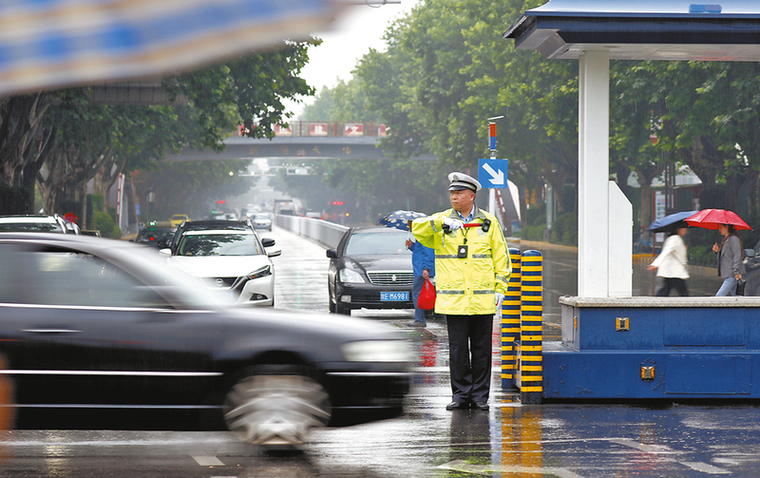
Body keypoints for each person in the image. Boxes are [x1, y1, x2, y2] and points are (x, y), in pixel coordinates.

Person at [411, 172, 511, 411]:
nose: (454, 197)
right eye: (452, 193)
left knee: (481, 350)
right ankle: (460, 395)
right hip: (454, 302)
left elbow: (501, 257)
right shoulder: (441, 220)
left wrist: (500, 288)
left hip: (482, 300)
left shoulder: (489, 222)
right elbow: (417, 229)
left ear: (472, 196)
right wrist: (439, 224)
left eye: (459, 193)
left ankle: (479, 397)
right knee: (457, 352)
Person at [646, 222, 689, 296]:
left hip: (672, 271)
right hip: (674, 271)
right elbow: (666, 251)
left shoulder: (675, 238)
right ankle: (689, 306)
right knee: (683, 292)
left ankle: (656, 303)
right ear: (679, 229)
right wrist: (655, 264)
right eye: (684, 229)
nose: (686, 231)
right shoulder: (675, 239)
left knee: (666, 289)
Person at [406, 220, 435, 328]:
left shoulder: (424, 236)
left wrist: (426, 268)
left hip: (421, 271)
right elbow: (420, 251)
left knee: (417, 294)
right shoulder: (421, 236)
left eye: (411, 225)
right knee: (418, 294)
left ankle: (420, 320)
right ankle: (420, 318)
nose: (410, 227)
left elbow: (428, 253)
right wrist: (411, 246)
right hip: (420, 270)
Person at [713, 224, 745, 296]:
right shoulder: (726, 239)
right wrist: (717, 251)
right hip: (730, 274)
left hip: (733, 274)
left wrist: (736, 271)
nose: (719, 229)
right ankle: (743, 307)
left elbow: (737, 255)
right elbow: (726, 256)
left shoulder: (733, 239)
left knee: (719, 296)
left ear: (727, 227)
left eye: (721, 227)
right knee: (737, 297)